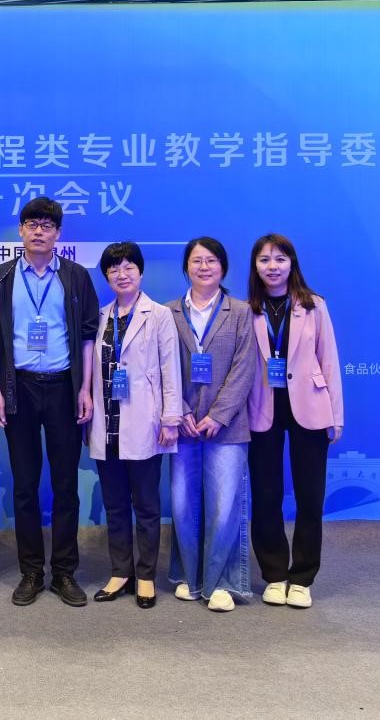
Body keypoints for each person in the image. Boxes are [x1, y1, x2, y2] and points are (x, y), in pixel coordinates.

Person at [0, 197, 99, 607]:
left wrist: (85, 388)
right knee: (25, 484)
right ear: (20, 230)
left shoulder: (75, 276)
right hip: (20, 388)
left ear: (58, 233)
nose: (38, 231)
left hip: (64, 387)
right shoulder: (1, 278)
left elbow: (88, 336)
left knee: (66, 484)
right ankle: (31, 571)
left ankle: (64, 572)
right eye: (31, 224)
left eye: (47, 225)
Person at [246, 233, 344, 610]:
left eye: (280, 259)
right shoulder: (246, 309)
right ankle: (274, 575)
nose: (272, 267)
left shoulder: (314, 305)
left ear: (292, 264)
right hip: (262, 409)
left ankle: (302, 578)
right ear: (255, 267)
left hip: (310, 406)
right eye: (264, 260)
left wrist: (336, 415)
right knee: (265, 495)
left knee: (310, 496)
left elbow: (329, 360)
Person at [88, 242, 182, 609]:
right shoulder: (100, 317)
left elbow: (170, 370)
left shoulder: (158, 315)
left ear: (140, 272)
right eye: (114, 269)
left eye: (129, 267)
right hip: (106, 424)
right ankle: (120, 572)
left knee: (145, 505)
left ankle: (145, 575)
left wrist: (171, 418)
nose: (121, 274)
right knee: (114, 505)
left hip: (145, 422)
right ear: (106, 276)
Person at [167, 236, 256, 613]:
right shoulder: (168, 312)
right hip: (183, 426)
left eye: (211, 261)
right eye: (196, 261)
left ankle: (222, 583)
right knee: (182, 504)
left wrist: (219, 415)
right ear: (186, 267)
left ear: (223, 267)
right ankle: (190, 577)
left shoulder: (240, 311)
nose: (204, 267)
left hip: (228, 427)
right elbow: (163, 367)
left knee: (224, 505)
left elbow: (244, 368)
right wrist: (182, 410)